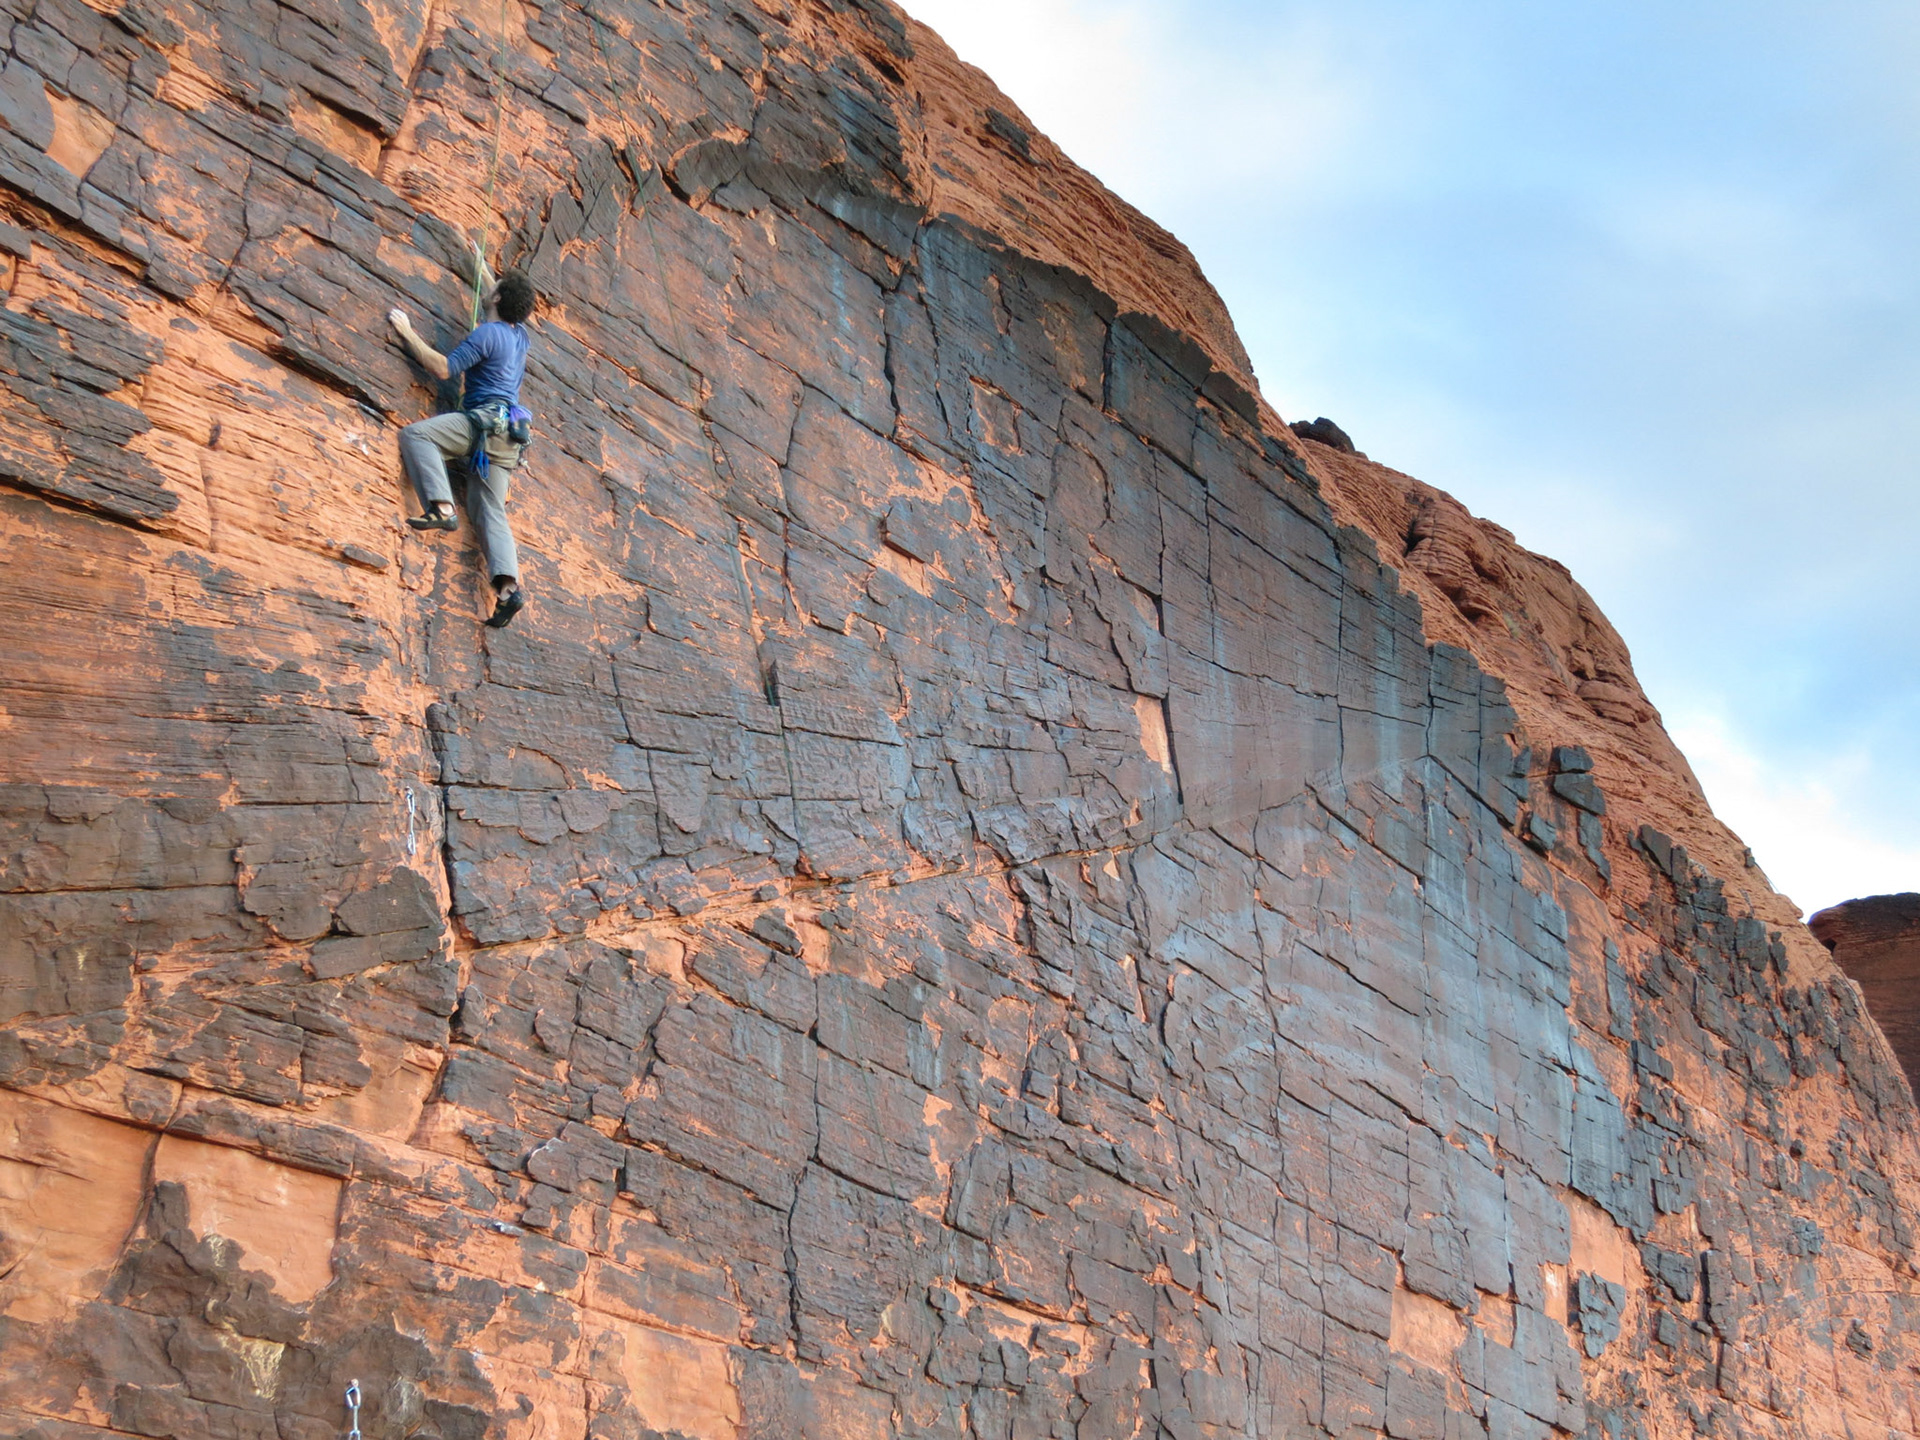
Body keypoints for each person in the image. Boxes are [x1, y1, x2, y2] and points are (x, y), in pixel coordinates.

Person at [388, 252, 537, 628]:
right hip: (508, 439)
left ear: (498, 299)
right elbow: (498, 293)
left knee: (417, 436)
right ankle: (507, 589)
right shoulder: (520, 336)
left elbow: (443, 368)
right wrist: (478, 260)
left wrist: (407, 332)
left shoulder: (487, 333)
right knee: (489, 509)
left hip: (480, 425)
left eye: (495, 288)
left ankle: (441, 507)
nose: (490, 287)